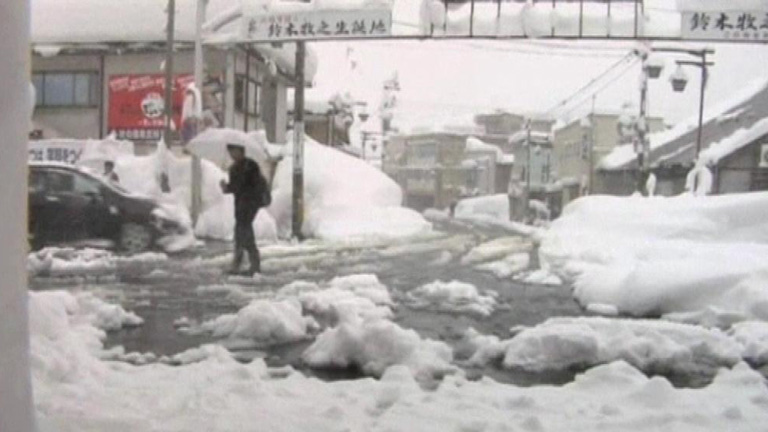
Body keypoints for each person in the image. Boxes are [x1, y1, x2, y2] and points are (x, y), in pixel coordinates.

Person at [220, 143, 269, 276]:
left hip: (250, 204)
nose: (232, 154)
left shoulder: (250, 165)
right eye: (230, 151)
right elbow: (235, 187)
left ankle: (253, 264)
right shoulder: (233, 168)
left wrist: (239, 185)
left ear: (241, 151)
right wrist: (226, 187)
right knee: (240, 233)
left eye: (234, 151)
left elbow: (253, 185)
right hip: (240, 204)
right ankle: (240, 263)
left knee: (244, 232)